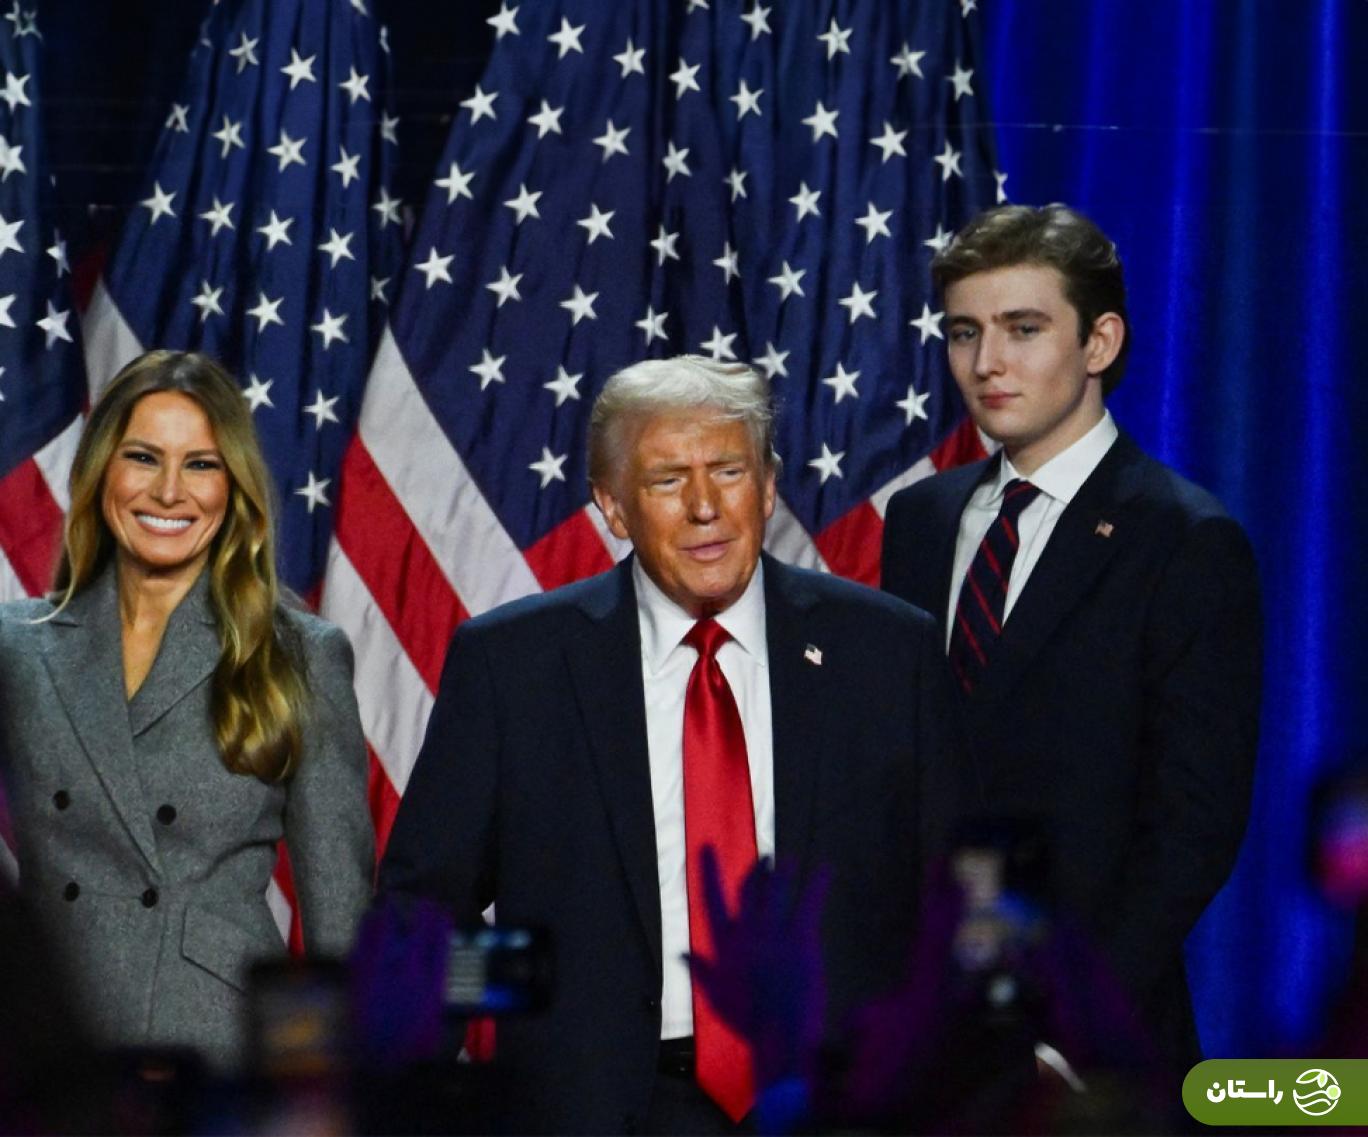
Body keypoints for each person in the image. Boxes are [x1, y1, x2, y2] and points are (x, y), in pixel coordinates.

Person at [380, 355, 966, 1135]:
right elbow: (426, 912)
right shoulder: (515, 666)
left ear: (767, 486)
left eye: (728, 471)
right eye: (666, 480)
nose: (704, 507)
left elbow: (955, 892)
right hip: (599, 1112)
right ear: (613, 506)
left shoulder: (887, 651)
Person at [881, 204, 1262, 1068]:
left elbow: (1193, 827)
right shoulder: (920, 519)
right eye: (965, 332)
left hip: (1090, 1051)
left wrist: (1068, 1020)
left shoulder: (1184, 539)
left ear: (1099, 342)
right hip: (919, 1036)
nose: (987, 362)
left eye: (1023, 329)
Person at [0, 350, 374, 1074]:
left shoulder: (299, 654)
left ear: (233, 486)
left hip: (215, 1047)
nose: (169, 491)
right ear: (102, 471)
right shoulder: (17, 647)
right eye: (143, 457)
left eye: (201, 464)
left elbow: (340, 924)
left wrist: (328, 1093)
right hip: (48, 1046)